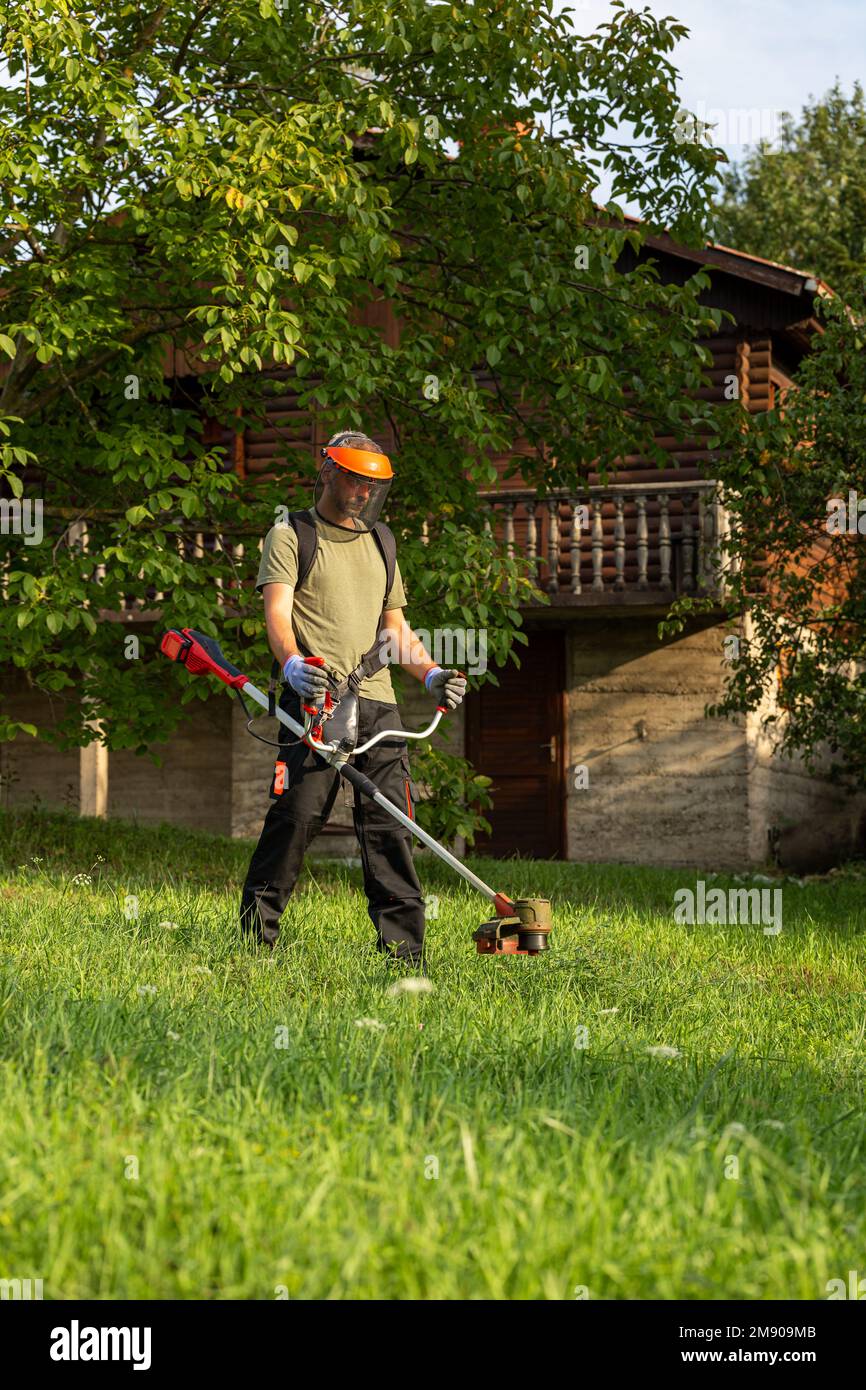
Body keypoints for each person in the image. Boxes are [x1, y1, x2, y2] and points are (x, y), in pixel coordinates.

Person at [239, 429, 466, 971]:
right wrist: (293, 664)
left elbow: (395, 631)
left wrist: (432, 674)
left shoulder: (382, 542)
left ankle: (405, 958)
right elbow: (276, 614)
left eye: (372, 485)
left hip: (379, 701)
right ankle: (255, 942)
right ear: (328, 473)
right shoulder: (291, 534)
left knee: (390, 825)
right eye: (355, 480)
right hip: (316, 698)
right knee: (296, 818)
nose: (364, 493)